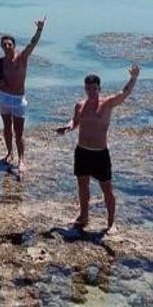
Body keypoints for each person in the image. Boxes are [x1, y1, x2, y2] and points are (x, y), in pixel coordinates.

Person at [56, 64, 140, 232]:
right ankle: (84, 216)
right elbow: (75, 121)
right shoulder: (80, 105)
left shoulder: (107, 103)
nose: (91, 92)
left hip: (100, 153)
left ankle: (111, 223)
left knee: (107, 188)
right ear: (85, 89)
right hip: (82, 151)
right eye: (88, 89)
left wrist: (133, 78)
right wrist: (67, 127)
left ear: (99, 88)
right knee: (82, 185)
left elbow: (124, 94)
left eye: (94, 89)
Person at [0, 18, 45, 175]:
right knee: (7, 128)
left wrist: (39, 30)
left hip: (18, 99)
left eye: (9, 44)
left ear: (14, 45)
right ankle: (9, 153)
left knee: (19, 132)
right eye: (4, 44)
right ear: (1, 47)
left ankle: (22, 160)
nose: (7, 46)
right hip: (4, 98)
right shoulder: (0, 62)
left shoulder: (22, 58)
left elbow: (32, 44)